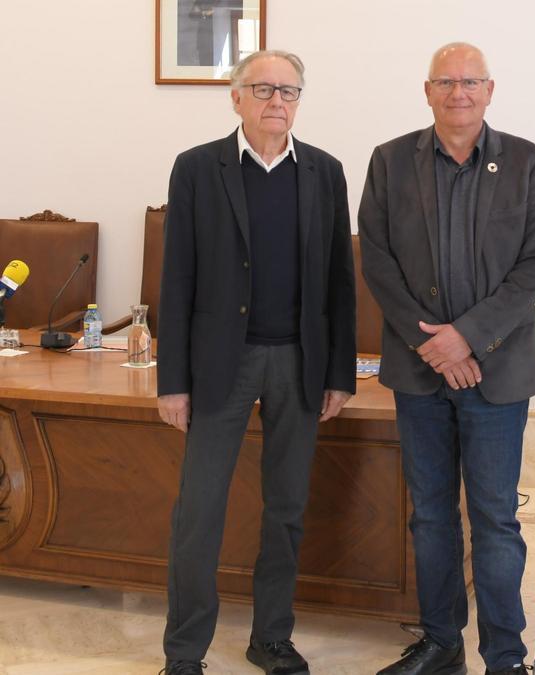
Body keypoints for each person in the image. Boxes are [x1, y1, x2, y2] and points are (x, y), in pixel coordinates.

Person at [156, 49, 356, 675]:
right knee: (199, 514)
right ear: (236, 97)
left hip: (299, 362)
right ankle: (185, 651)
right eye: (264, 89)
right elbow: (177, 278)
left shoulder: (325, 172)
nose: (278, 101)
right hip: (223, 364)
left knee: (287, 508)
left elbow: (338, 283)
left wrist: (339, 374)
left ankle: (271, 637)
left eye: (290, 91)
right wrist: (173, 382)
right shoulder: (196, 168)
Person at [358, 42, 535, 675]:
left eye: (471, 81)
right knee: (431, 515)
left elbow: (532, 267)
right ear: (427, 90)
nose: (458, 92)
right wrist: (434, 346)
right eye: (446, 81)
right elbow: (379, 262)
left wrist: (465, 337)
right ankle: (442, 643)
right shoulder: (390, 162)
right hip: (420, 372)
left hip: (498, 372)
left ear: (490, 91)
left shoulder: (529, 163)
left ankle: (505, 657)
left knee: (495, 518)